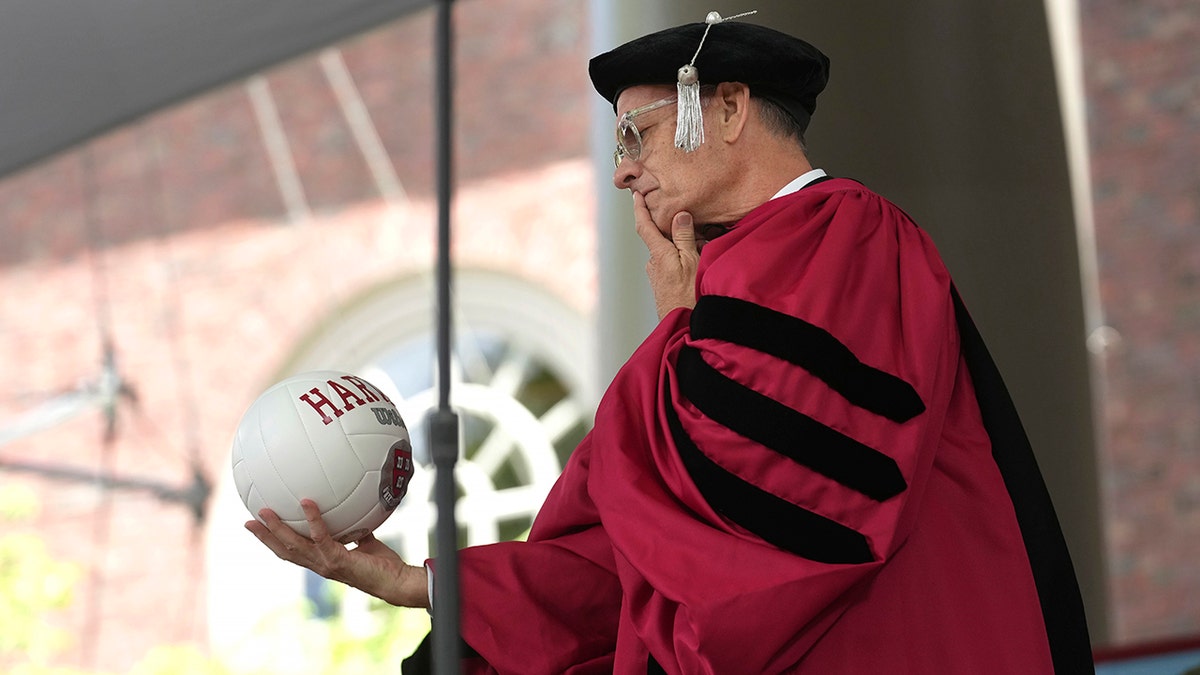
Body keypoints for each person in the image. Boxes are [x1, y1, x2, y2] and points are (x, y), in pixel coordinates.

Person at [246, 13, 1094, 674]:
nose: (621, 169)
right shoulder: (712, 291)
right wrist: (423, 585)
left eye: (635, 134)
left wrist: (681, 328)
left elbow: (769, 498)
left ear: (727, 108)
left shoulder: (844, 231)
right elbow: (636, 553)